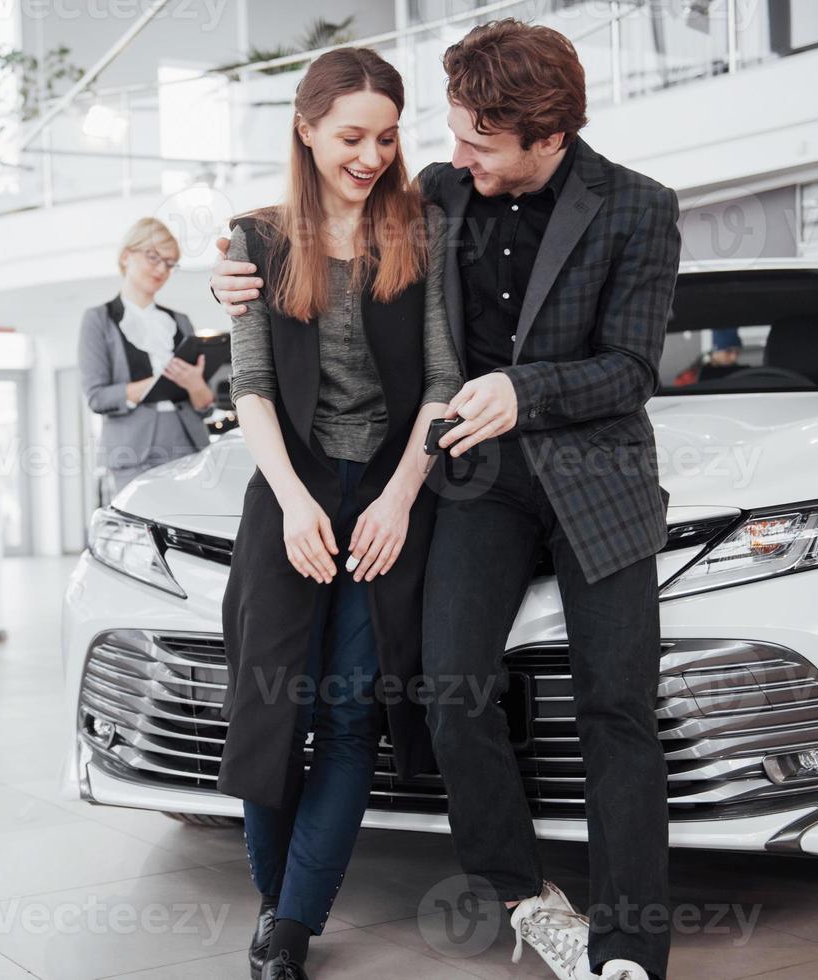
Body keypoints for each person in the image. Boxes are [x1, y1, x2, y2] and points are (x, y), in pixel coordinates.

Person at [212, 20, 681, 980]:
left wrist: (527, 391)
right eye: (452, 133)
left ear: (544, 138)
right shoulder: (437, 196)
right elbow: (309, 268)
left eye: (476, 141)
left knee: (615, 708)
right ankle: (521, 893)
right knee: (447, 688)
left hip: (598, 478)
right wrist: (228, 287)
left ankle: (629, 944)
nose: (445, 154)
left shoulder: (638, 208)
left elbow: (631, 369)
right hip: (476, 480)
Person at [215, 47, 461, 980]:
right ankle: (279, 906)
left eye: (387, 136)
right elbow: (251, 387)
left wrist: (401, 498)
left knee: (352, 713)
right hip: (290, 486)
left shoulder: (423, 229)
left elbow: (442, 379)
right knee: (269, 704)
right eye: (351, 136)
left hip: (394, 489)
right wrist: (290, 502)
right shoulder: (255, 240)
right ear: (306, 128)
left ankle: (290, 931)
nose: (370, 155)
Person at [77, 217, 215, 497]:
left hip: (188, 445)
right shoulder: (98, 320)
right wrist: (158, 381)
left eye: (170, 263)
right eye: (154, 257)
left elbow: (205, 406)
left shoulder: (180, 321)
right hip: (133, 451)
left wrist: (195, 386)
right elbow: (98, 397)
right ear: (127, 256)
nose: (162, 269)